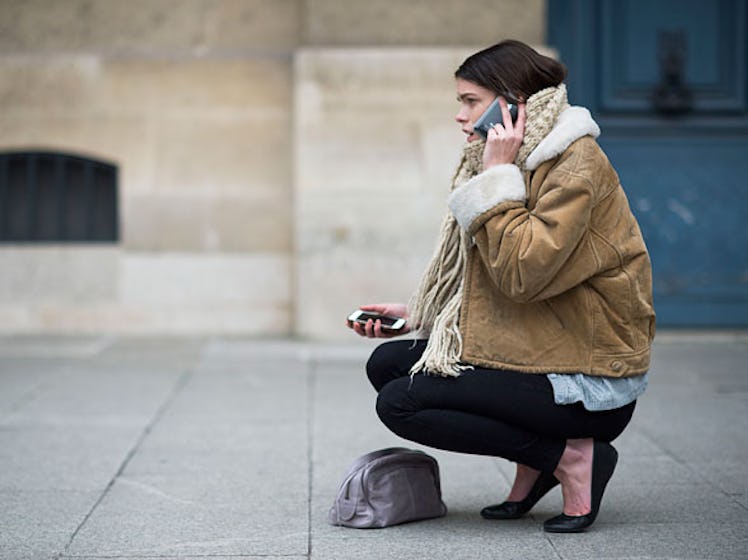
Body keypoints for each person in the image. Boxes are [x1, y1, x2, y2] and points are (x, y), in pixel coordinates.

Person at [346, 39, 655, 533]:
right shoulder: (517, 159)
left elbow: (523, 274)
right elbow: (495, 275)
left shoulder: (574, 165)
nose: (460, 115)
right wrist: (421, 314)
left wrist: (497, 178)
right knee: (387, 364)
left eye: (470, 101)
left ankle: (570, 458)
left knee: (401, 401)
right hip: (541, 347)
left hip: (588, 377)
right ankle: (535, 461)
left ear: (511, 104)